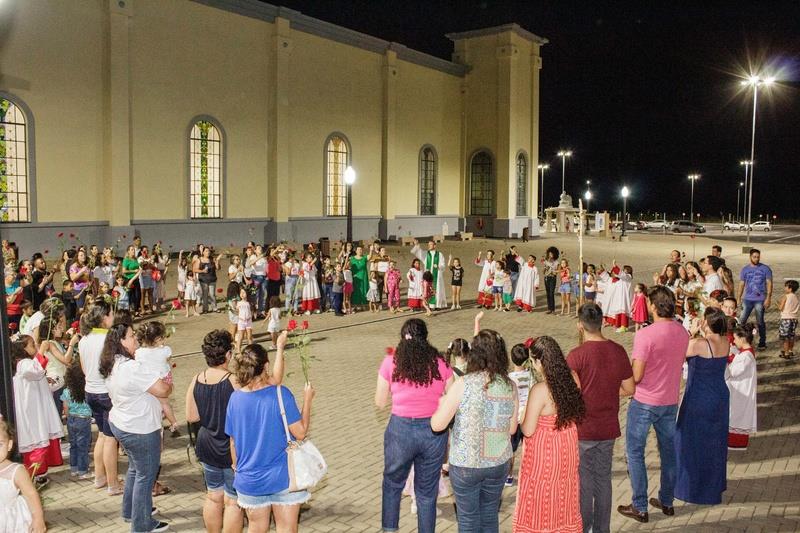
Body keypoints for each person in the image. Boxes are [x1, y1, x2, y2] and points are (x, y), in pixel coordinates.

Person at [431, 329, 517, 533]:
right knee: (489, 515)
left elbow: (438, 425)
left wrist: (440, 404)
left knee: (469, 520)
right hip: (498, 463)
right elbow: (512, 428)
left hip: (466, 464)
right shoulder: (510, 385)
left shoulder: (464, 384)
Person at [618, 286, 689, 523]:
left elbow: (636, 375)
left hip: (645, 400)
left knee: (635, 452)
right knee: (668, 453)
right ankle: (667, 500)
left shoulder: (645, 334)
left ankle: (640, 505)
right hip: (669, 400)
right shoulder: (682, 331)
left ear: (654, 306)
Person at [375, 319, 453, 533]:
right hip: (433, 432)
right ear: (425, 339)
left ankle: (389, 529)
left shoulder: (391, 361)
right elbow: (452, 398)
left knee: (392, 484)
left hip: (400, 430)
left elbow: (379, 402)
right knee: (427, 493)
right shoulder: (441, 364)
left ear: (403, 338)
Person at [225, 344, 313, 532]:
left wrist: (236, 467)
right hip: (282, 477)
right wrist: (308, 400)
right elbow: (300, 432)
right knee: (286, 528)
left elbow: (232, 441)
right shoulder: (281, 394)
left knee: (256, 527)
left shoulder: (235, 399)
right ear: (265, 367)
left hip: (250, 479)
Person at [567, 304, 635, 533]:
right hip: (608, 427)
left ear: (580, 325)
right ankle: (602, 529)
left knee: (585, 482)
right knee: (603, 479)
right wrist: (606, 389)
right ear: (603, 323)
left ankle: (583, 527)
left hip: (584, 428)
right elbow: (629, 388)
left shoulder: (576, 356)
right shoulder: (618, 351)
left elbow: (569, 392)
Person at [100, 323, 172, 532]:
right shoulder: (131, 368)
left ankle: (130, 511)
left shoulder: (112, 363)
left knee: (135, 468)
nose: (136, 340)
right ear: (121, 341)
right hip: (139, 428)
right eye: (131, 336)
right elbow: (163, 390)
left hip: (123, 422)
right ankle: (142, 524)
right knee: (146, 475)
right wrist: (167, 383)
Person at [513, 336, 585, 533]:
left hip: (545, 450)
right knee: (564, 488)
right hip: (567, 442)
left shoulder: (540, 390)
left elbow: (528, 429)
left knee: (541, 491)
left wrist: (520, 417)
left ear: (539, 362)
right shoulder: (573, 377)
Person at [675, 307, 730, 505]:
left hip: (699, 397)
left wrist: (693, 331)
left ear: (707, 323)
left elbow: (677, 353)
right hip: (720, 396)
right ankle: (713, 486)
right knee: (715, 443)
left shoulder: (699, 343)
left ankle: (691, 488)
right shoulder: (726, 341)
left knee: (689, 441)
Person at [79, 300, 122, 495]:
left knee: (103, 436)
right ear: (105, 317)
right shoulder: (109, 337)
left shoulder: (84, 339)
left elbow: (82, 368)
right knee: (111, 439)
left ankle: (100, 477)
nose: (113, 318)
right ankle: (113, 484)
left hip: (91, 391)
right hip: (106, 392)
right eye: (111, 314)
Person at [11, 335, 64, 484]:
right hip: (32, 409)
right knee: (36, 436)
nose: (34, 346)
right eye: (31, 344)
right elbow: (36, 370)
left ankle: (41, 471)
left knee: (42, 433)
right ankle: (37, 473)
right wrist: (42, 350)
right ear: (23, 349)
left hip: (36, 404)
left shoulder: (26, 363)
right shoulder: (24, 363)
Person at [0, 420, 47, 533]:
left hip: (10, 522)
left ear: (9, 445)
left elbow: (31, 494)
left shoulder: (16, 471)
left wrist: (38, 519)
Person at [134, 321, 180, 436]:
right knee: (165, 403)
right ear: (156, 339)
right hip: (165, 379)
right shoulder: (165, 350)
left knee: (153, 404)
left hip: (150, 382)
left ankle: (158, 425)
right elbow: (169, 358)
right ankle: (173, 422)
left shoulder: (139, 353)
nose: (164, 340)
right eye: (161, 338)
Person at [727, 322, 758, 450]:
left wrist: (725, 360)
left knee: (737, 417)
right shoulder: (744, 353)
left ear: (742, 338)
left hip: (741, 394)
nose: (734, 341)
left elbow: (733, 372)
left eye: (735, 338)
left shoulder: (746, 357)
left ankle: (735, 443)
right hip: (738, 392)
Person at [61, 358, 93, 479]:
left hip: (71, 420)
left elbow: (65, 407)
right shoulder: (85, 391)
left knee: (73, 445)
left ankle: (73, 468)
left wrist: (68, 417)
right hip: (83, 420)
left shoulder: (66, 391)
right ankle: (83, 470)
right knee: (83, 446)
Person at [507, 342, 533, 486]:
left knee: (511, 450)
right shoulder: (532, 376)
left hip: (514, 420)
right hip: (529, 418)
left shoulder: (509, 378)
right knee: (528, 449)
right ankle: (528, 474)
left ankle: (509, 476)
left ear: (511, 359)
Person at [737, 249, 772, 349]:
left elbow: (769, 283)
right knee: (741, 321)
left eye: (758, 257)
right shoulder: (745, 269)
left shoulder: (765, 269)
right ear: (750, 257)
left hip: (760, 299)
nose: (756, 259)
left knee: (760, 321)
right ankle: (739, 340)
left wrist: (768, 297)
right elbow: (741, 284)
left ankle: (762, 342)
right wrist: (738, 298)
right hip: (747, 299)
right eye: (754, 257)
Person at [411, 239, 447, 309]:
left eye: (430, 244)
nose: (429, 246)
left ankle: (437, 305)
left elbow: (443, 265)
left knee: (437, 289)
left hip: (437, 275)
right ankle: (430, 305)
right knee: (427, 290)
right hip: (428, 276)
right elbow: (417, 252)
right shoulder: (426, 254)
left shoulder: (439, 254)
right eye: (428, 245)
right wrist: (417, 245)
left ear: (434, 245)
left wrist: (439, 266)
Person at [778, 280, 799, 359]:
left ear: (790, 288)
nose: (784, 288)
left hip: (786, 319)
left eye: (786, 286)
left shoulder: (785, 296)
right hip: (794, 318)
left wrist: (777, 304)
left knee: (785, 337)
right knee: (791, 336)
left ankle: (786, 353)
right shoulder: (796, 297)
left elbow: (781, 308)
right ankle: (790, 351)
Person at [198, 247, 221, 314]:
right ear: (203, 252)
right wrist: (202, 271)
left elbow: (218, 268)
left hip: (212, 280)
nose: (208, 252)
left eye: (209, 251)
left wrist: (217, 262)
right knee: (205, 295)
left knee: (212, 294)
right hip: (203, 280)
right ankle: (205, 309)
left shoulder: (212, 259)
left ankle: (215, 308)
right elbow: (194, 269)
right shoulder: (200, 260)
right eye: (206, 251)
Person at [235, 286, 254, 353]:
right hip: (241, 321)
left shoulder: (249, 303)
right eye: (241, 293)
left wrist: (250, 316)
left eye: (244, 293)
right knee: (241, 336)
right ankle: (238, 349)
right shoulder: (239, 303)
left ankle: (251, 349)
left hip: (248, 321)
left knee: (249, 336)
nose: (242, 294)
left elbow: (251, 311)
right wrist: (240, 317)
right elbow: (237, 311)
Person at [542, 246, 560, 314]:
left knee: (551, 293)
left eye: (551, 254)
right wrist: (545, 267)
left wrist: (553, 271)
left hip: (552, 278)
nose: (550, 255)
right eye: (549, 254)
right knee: (547, 293)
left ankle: (553, 309)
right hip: (546, 278)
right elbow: (543, 272)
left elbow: (558, 272)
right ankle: (549, 308)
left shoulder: (557, 262)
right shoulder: (546, 261)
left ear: (555, 254)